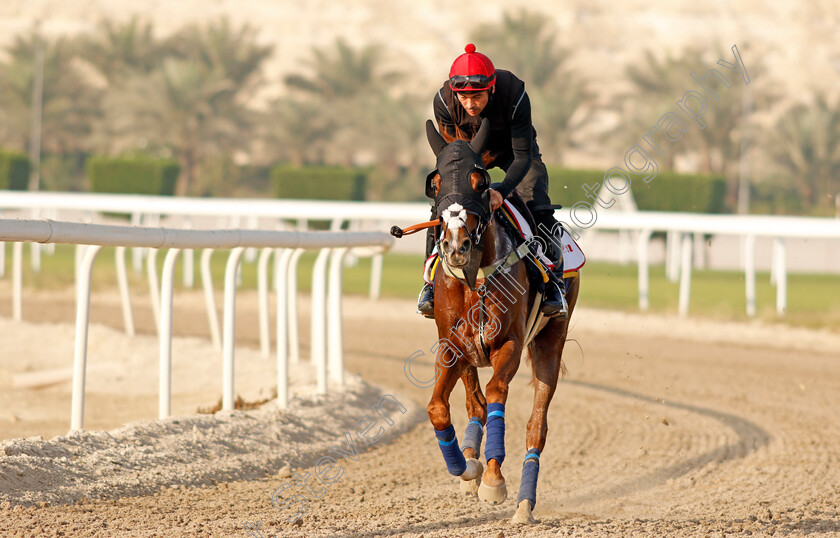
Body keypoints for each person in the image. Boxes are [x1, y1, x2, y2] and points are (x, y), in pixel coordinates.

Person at [418, 43, 567, 318]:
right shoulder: (443, 102)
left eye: (477, 96)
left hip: (514, 153)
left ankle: (553, 283)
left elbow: (523, 157)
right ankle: (429, 283)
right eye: (463, 97)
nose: (470, 104)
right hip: (470, 156)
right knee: (444, 207)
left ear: (492, 88)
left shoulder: (516, 95)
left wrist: (502, 191)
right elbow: (454, 155)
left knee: (537, 203)